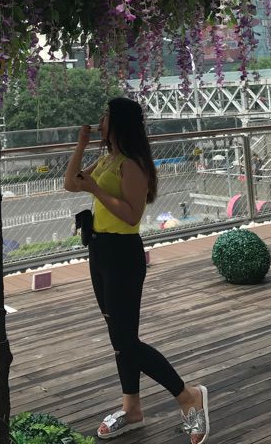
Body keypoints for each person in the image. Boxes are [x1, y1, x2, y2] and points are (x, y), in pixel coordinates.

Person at [64, 97, 209, 443]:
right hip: (100, 250)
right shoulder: (108, 158)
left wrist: (95, 188)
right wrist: (81, 145)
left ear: (119, 123)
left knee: (126, 341)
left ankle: (188, 396)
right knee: (119, 338)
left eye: (105, 116)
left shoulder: (132, 164)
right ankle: (131, 408)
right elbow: (70, 183)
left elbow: (131, 216)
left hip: (122, 255)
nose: (100, 121)